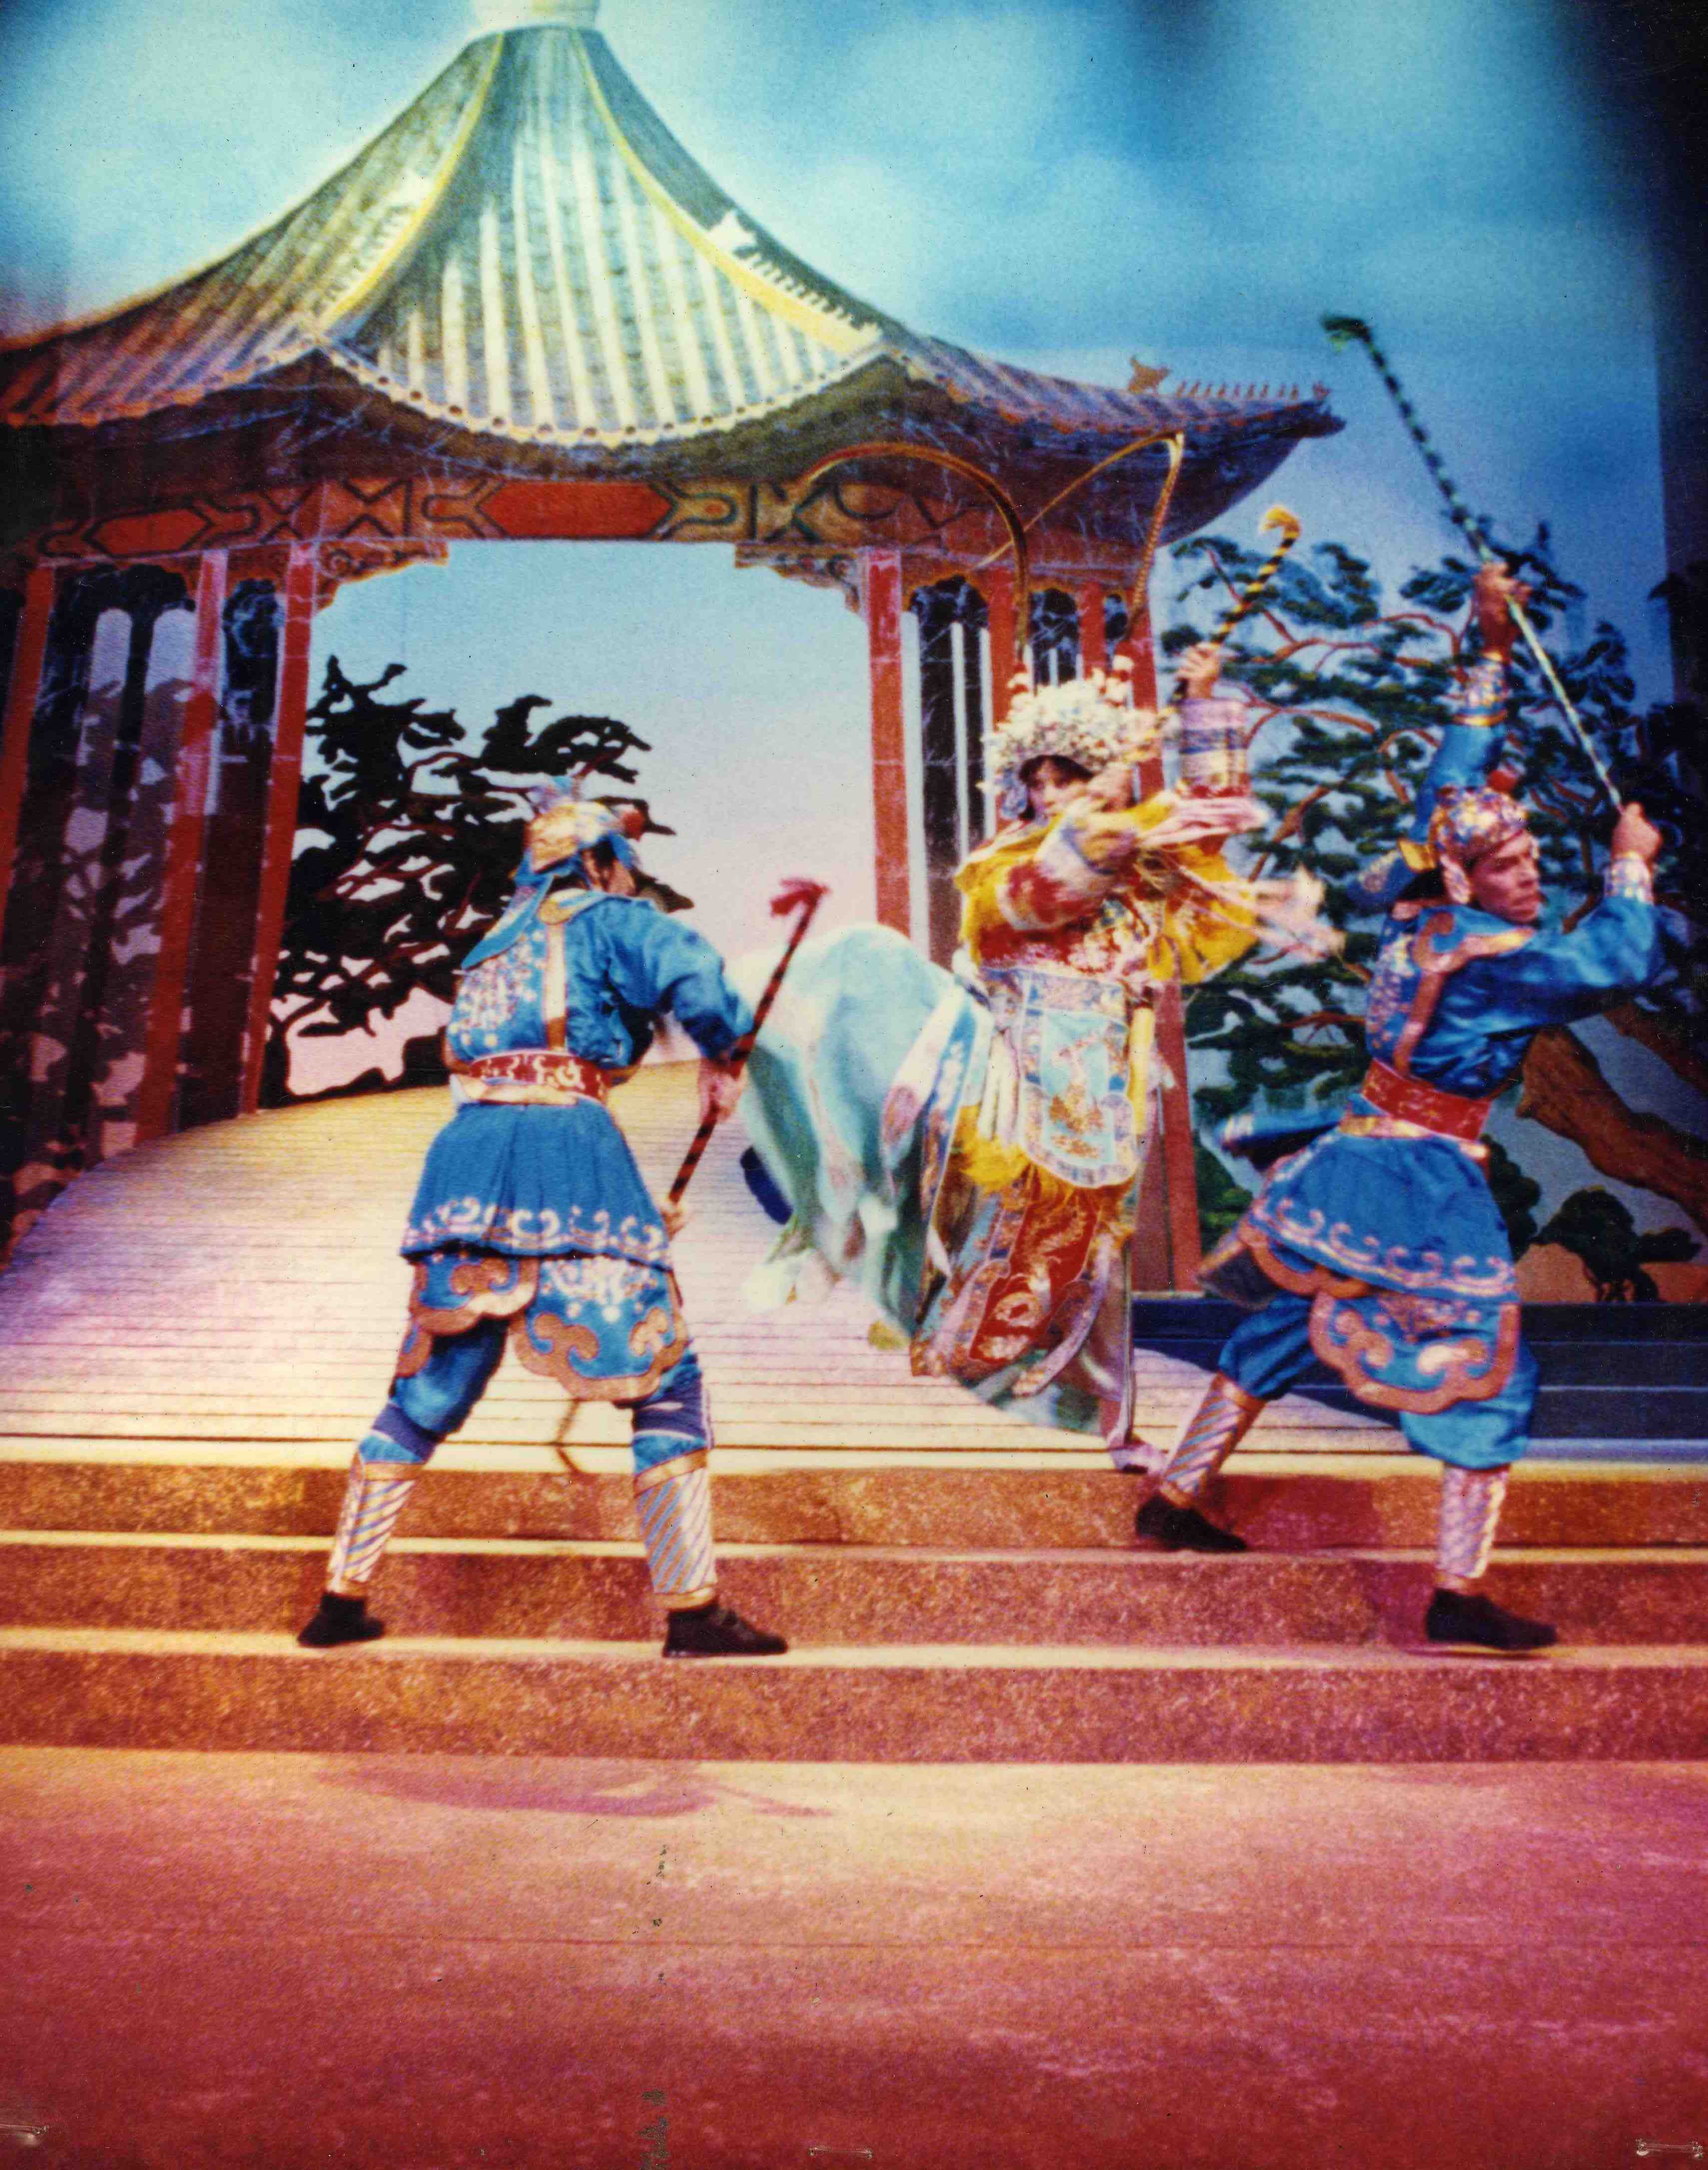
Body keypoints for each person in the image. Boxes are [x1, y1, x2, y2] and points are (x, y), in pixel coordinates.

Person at [1136, 564, 1666, 1651]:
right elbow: (1617, 962)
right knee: (1489, 1360)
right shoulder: (1496, 961)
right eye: (1513, 865)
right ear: (1471, 880)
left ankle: (1177, 1491)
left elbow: (1451, 778)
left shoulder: (1421, 914)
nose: (1530, 876)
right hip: (1424, 1178)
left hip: (1363, 1156)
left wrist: (1491, 646)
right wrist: (1628, 868)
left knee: (1301, 1316)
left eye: (1534, 857)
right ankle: (1457, 1592)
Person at [738, 644, 1324, 1455]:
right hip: (1015, 1070)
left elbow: (1212, 816)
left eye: (1066, 778)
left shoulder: (1140, 852)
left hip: (1107, 1073)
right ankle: (878, 1261)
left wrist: (1200, 701)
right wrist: (1095, 824)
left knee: (1101, 1254)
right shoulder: (1008, 861)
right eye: (1038, 781)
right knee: (990, 1215)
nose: (1048, 794)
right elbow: (1040, 901)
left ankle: (1112, 1423)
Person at [296, 788, 787, 1659]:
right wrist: (722, 1051)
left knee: (425, 1390)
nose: (626, 882)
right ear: (596, 862)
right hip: (570, 1160)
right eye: (620, 867)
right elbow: (694, 978)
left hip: (466, 1166)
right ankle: (692, 1612)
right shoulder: (605, 918)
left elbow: (477, 1066)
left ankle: (339, 1600)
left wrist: (636, 1205)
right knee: (667, 1380)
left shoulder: (491, 946)